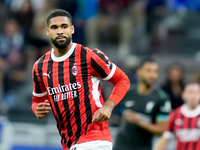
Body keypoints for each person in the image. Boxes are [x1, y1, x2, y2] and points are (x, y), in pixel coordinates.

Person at [31, 9, 130, 150]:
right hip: (69, 143)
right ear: (47, 31)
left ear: (72, 29)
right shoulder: (40, 67)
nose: (60, 31)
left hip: (95, 139)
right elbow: (37, 100)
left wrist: (109, 106)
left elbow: (122, 80)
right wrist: (37, 109)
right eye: (55, 27)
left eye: (64, 27)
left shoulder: (88, 56)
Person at [113, 58, 171, 150]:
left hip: (142, 147)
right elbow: (121, 117)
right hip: (120, 146)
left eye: (155, 72)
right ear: (139, 72)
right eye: (148, 71)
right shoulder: (128, 92)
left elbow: (162, 130)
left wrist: (138, 121)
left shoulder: (161, 98)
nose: (152, 75)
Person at [154, 83, 200, 150]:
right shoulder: (174, 114)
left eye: (196, 92)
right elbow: (165, 137)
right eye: (190, 92)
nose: (193, 96)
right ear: (183, 95)